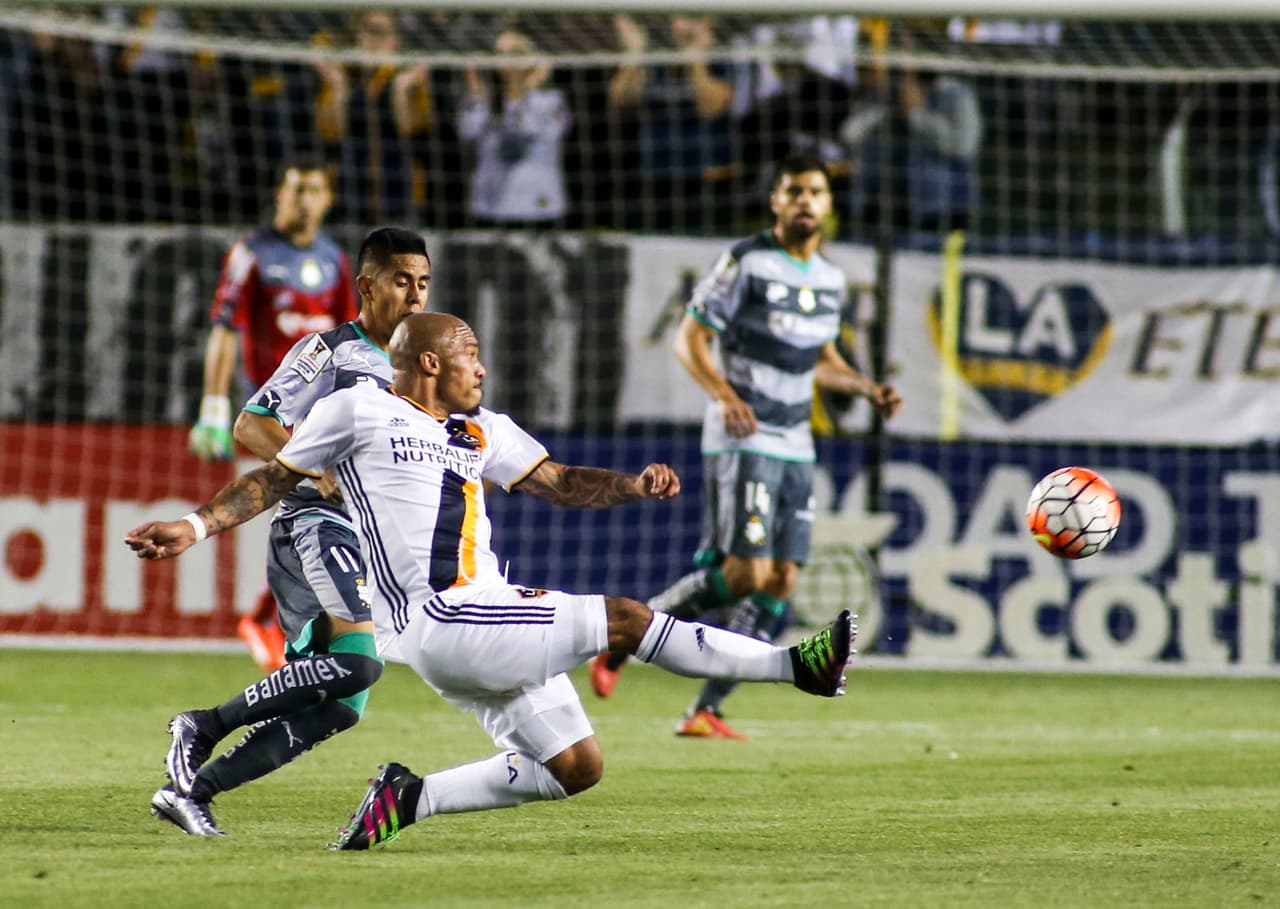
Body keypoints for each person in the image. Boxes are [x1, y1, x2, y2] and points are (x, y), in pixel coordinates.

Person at [125, 311, 855, 846]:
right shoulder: (359, 409)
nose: (482, 367)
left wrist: (630, 485)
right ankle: (797, 666)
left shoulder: (485, 429)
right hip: (442, 617)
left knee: (576, 764)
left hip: (484, 614)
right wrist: (192, 527)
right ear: (432, 362)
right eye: (471, 353)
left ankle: (409, 799)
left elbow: (562, 481)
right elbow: (271, 480)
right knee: (626, 619)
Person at [590, 154, 901, 739]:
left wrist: (864, 386)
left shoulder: (832, 279)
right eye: (794, 191)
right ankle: (621, 641)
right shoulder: (746, 261)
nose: (806, 200)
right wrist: (724, 395)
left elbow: (823, 360)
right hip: (746, 436)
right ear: (776, 202)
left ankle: (706, 709)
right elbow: (690, 338)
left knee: (783, 577)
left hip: (797, 444)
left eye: (816, 192)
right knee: (744, 572)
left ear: (829, 205)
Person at [144, 227, 431, 836]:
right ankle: (203, 724)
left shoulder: (419, 374)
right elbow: (254, 425)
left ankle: (193, 791)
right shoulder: (328, 351)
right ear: (366, 285)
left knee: (343, 706)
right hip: (314, 523)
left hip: (371, 543)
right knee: (358, 669)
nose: (415, 295)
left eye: (424, 282)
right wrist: (318, 466)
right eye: (402, 280)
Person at [189, 157, 356, 671]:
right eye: (293, 189)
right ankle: (268, 619)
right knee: (319, 499)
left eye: (311, 190)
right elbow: (224, 328)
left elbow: (351, 336)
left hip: (324, 412)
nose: (301, 200)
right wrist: (214, 408)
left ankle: (273, 619)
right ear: (278, 196)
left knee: (326, 508)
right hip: (275, 412)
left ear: (327, 199)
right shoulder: (252, 253)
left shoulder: (333, 259)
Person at [607, 13, 738, 233]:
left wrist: (695, 60)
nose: (683, 26)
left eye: (692, 18)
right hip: (655, 178)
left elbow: (711, 106)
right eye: (679, 17)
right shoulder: (655, 58)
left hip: (707, 181)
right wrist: (635, 55)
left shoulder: (722, 58)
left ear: (707, 22)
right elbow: (620, 101)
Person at [314, 8, 433, 224]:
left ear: (396, 39)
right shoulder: (343, 74)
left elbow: (409, 129)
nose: (373, 39)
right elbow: (332, 132)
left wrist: (399, 89)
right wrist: (339, 86)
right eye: (368, 30)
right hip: (348, 188)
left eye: (382, 32)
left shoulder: (409, 76)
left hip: (399, 190)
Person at [457, 27, 571, 225]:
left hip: (538, 206)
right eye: (500, 55)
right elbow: (467, 132)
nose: (507, 62)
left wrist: (527, 89)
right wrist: (476, 95)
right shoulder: (482, 98)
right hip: (491, 206)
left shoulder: (550, 100)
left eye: (515, 54)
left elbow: (544, 132)